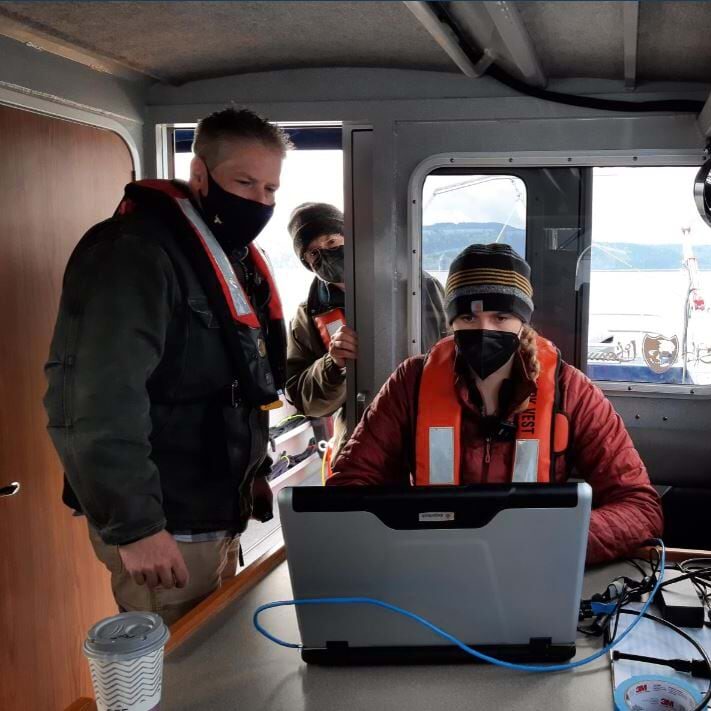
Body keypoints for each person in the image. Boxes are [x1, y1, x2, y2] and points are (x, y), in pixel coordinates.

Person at [44, 108, 292, 623]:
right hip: (166, 522)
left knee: (215, 660)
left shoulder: (226, 257)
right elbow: (96, 400)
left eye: (270, 189)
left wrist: (252, 476)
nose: (260, 201)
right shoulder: (133, 252)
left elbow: (228, 380)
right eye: (244, 182)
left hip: (216, 509)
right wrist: (135, 528)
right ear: (200, 175)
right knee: (177, 680)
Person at [328, 243, 663, 565]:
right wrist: (404, 540)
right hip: (433, 560)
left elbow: (639, 506)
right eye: (469, 319)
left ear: (523, 322)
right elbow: (347, 489)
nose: (484, 329)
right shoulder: (410, 382)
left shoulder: (569, 390)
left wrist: (560, 542)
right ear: (452, 322)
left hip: (535, 563)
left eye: (501, 317)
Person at [286, 202, 448, 466]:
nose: (326, 253)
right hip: (357, 439)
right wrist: (333, 364)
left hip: (428, 428)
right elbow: (307, 401)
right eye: (314, 252)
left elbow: (452, 351)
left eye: (331, 240)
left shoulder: (421, 287)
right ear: (306, 262)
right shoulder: (308, 315)